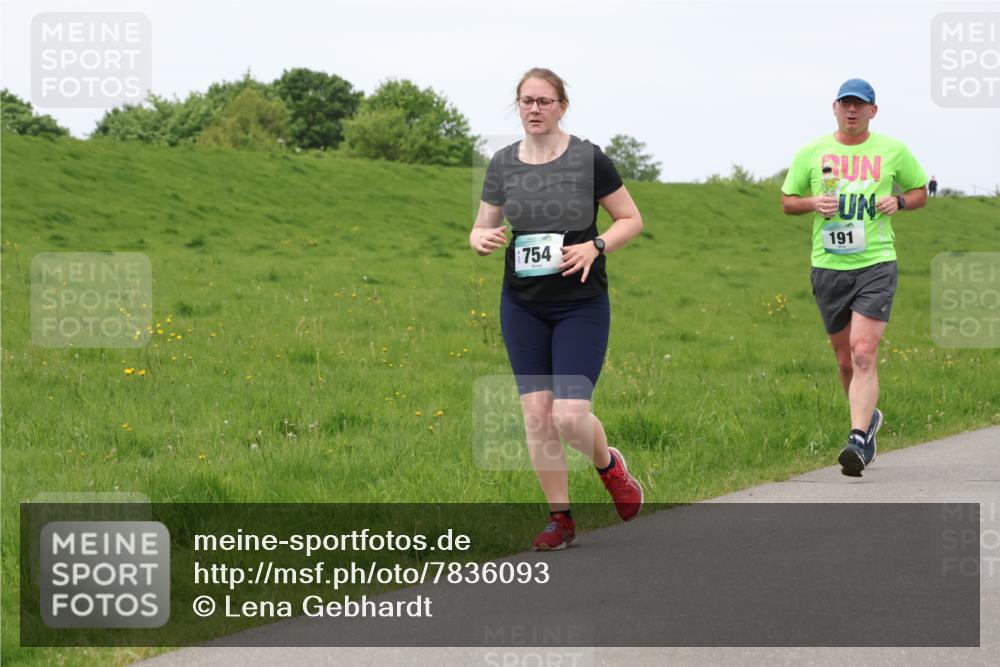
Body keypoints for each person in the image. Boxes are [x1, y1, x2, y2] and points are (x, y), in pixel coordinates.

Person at [469, 68, 644, 550]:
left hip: (579, 304)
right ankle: (561, 519)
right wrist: (479, 237)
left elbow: (631, 218)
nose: (535, 109)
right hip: (522, 305)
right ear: (518, 106)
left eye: (545, 101)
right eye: (527, 101)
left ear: (562, 106)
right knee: (537, 418)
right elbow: (483, 226)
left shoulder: (589, 158)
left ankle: (609, 466)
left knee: (569, 416)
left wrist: (598, 245)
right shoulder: (503, 163)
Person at [781, 78, 928, 477]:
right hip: (828, 265)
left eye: (859, 105)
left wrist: (898, 200)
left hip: (876, 262)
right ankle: (869, 419)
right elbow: (787, 202)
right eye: (845, 104)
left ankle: (857, 439)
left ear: (872, 111)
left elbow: (920, 191)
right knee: (845, 359)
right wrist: (813, 203)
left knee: (864, 352)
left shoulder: (892, 150)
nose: (851, 111)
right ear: (834, 108)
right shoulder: (812, 152)